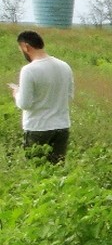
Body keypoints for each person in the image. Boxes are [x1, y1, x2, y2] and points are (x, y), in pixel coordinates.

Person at [9, 30, 74, 163]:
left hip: (38, 128)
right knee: (57, 171)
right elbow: (69, 95)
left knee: (36, 171)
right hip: (62, 127)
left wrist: (17, 94)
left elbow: (25, 103)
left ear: (26, 47)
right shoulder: (64, 66)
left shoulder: (29, 70)